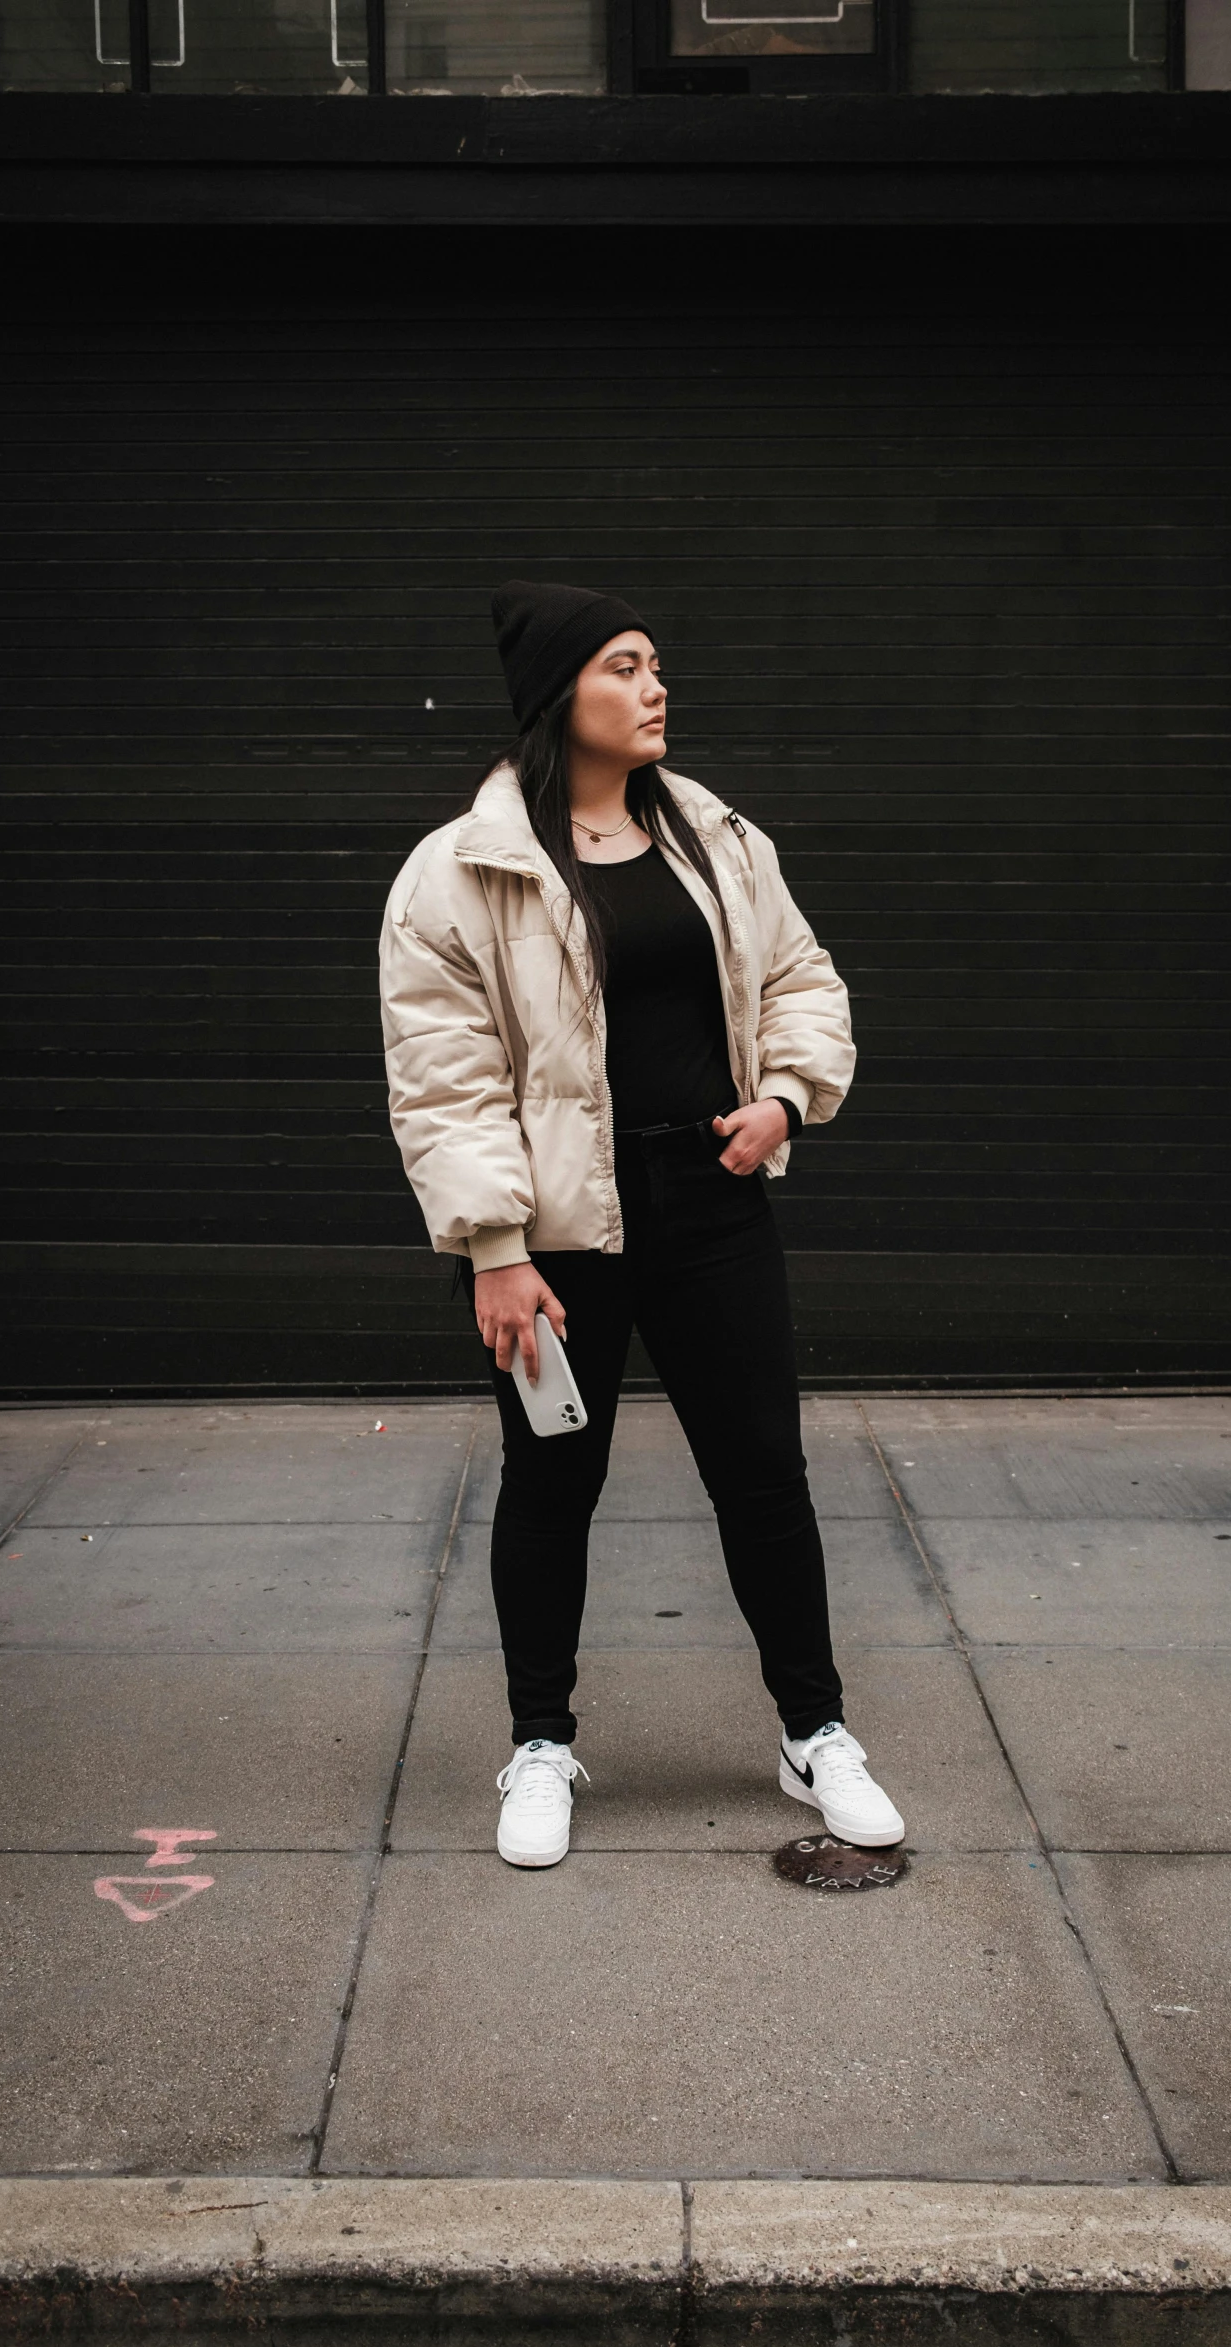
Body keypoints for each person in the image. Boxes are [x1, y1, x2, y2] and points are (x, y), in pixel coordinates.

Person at [379, 580, 904, 1869]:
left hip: (712, 1205)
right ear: (564, 694)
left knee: (763, 1480)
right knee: (553, 1484)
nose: (655, 686)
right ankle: (542, 1744)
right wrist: (492, 1251)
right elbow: (443, 1077)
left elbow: (802, 977)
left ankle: (814, 1732)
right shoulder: (463, 871)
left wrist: (784, 1098)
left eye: (657, 664)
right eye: (625, 667)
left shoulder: (718, 837)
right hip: (555, 1237)